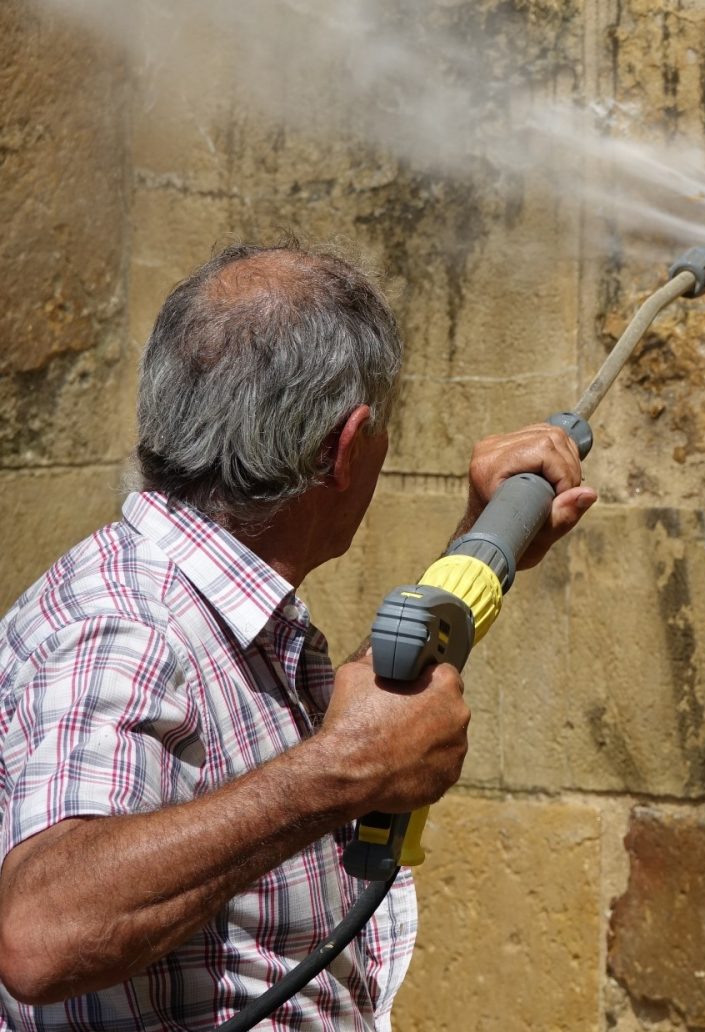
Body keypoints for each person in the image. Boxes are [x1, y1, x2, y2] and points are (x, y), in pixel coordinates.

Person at [0, 244, 596, 1030]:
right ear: (345, 448)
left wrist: (481, 542)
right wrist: (345, 772)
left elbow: (349, 728)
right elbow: (43, 933)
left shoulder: (216, 605)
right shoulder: (124, 620)